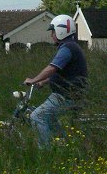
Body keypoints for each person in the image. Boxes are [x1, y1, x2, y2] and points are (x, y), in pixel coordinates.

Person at [23, 14, 88, 149]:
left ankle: (46, 152)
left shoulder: (67, 48)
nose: (51, 35)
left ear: (61, 30)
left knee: (36, 116)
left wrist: (34, 80)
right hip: (70, 94)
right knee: (50, 118)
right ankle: (65, 146)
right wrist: (42, 83)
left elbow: (52, 68)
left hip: (65, 96)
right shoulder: (71, 46)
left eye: (53, 31)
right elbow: (62, 73)